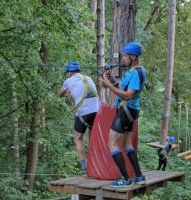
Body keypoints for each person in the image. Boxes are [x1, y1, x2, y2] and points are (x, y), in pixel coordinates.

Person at [99, 42, 146, 188]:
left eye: (125, 56)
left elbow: (127, 95)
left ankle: (126, 179)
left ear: (133, 57)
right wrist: (111, 79)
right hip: (129, 111)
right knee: (126, 143)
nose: (123, 58)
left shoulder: (138, 72)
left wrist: (108, 86)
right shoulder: (130, 72)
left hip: (127, 110)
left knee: (112, 143)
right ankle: (138, 176)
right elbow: (122, 87)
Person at [58, 61, 100, 172]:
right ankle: (94, 162)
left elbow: (60, 94)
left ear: (69, 72)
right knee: (92, 138)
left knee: (78, 138)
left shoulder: (68, 81)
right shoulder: (88, 78)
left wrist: (68, 93)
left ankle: (84, 166)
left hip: (83, 113)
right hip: (97, 111)